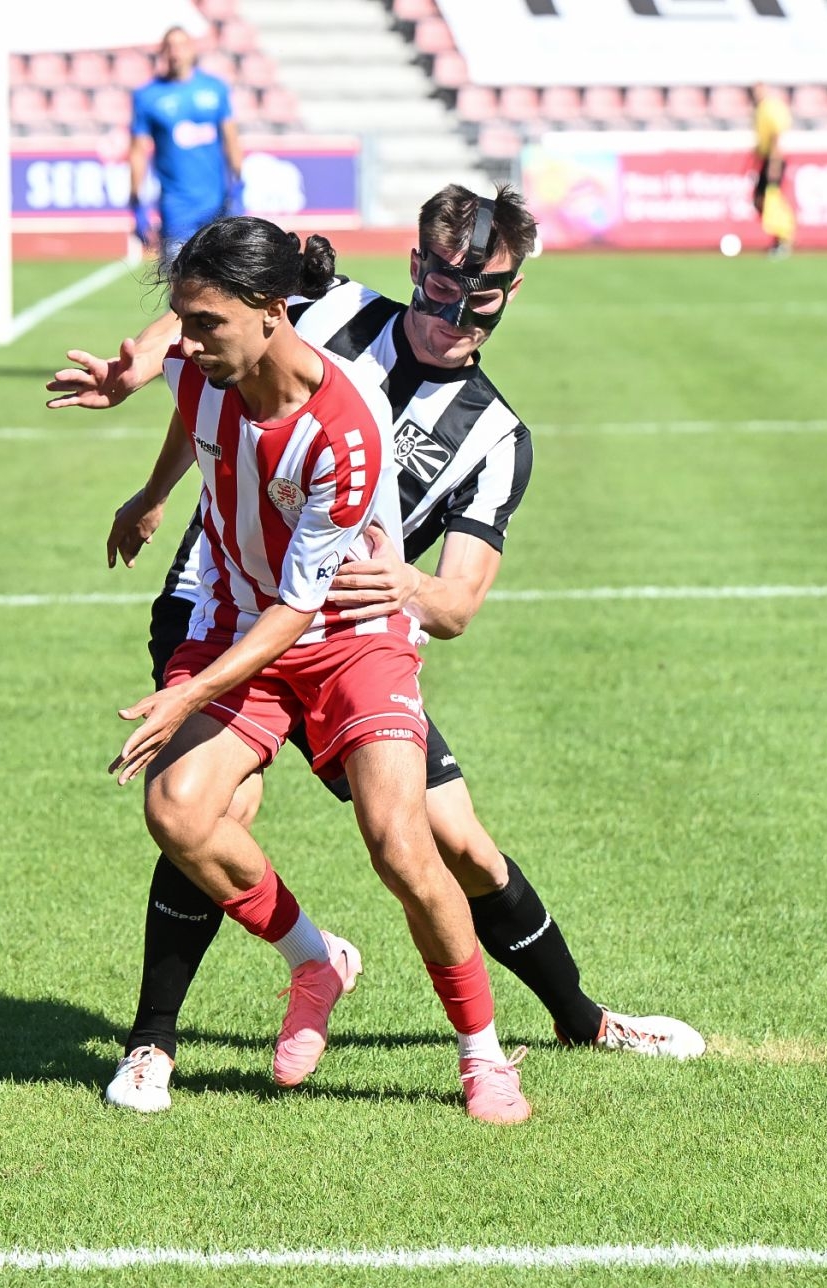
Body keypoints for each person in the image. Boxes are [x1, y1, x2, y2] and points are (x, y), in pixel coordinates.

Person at [49, 185, 705, 1115]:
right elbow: (206, 316)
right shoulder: (324, 304)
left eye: (479, 298)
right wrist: (144, 395)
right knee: (210, 801)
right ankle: (155, 1039)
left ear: (511, 294)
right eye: (439, 288)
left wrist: (408, 584)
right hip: (220, 599)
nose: (453, 314)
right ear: (415, 268)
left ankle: (579, 1018)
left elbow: (458, 601)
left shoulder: (494, 436)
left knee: (448, 843)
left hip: (352, 638)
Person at [106, 214, 533, 1124]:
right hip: (236, 614)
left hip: (348, 633)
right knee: (178, 811)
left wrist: (190, 692)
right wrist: (149, 497)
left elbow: (301, 610)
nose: (187, 341)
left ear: (272, 310)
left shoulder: (345, 432)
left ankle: (483, 1053)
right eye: (183, 321)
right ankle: (315, 958)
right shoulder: (204, 363)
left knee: (402, 844)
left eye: (205, 323)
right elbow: (188, 408)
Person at [129, 26, 245, 264]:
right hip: (176, 207)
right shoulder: (147, 96)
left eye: (181, 45)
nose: (176, 52)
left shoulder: (215, 88)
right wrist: (136, 201)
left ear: (192, 49)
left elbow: (231, 139)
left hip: (217, 203)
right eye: (170, 46)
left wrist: (239, 183)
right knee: (179, 276)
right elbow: (138, 151)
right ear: (162, 52)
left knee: (221, 277)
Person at [749, 82, 795, 258]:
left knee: (771, 199)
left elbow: (776, 136)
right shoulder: (760, 110)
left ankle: (783, 238)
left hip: (774, 159)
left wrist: (774, 163)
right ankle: (779, 238)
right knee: (761, 200)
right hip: (766, 159)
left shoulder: (770, 108)